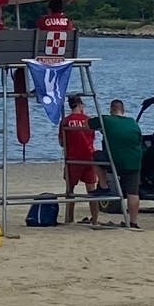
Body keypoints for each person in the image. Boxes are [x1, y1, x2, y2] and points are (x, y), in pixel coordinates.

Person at [89, 99, 143, 229]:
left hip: (115, 161)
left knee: (95, 156)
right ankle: (133, 222)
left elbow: (87, 124)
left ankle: (103, 185)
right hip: (134, 161)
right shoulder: (133, 123)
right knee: (133, 193)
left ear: (111, 110)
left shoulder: (106, 120)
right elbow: (138, 139)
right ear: (123, 110)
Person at [59, 94, 99, 226]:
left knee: (70, 189)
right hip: (88, 157)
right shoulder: (88, 120)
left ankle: (69, 218)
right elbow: (92, 137)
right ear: (80, 105)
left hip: (73, 158)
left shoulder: (66, 121)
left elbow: (61, 142)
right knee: (91, 190)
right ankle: (95, 218)